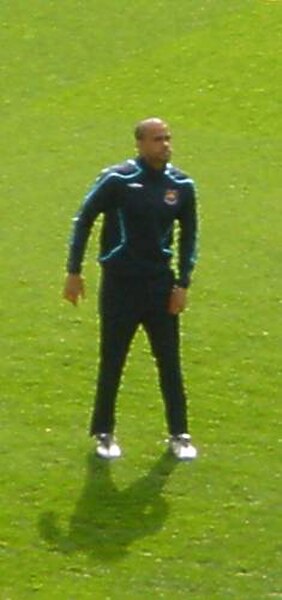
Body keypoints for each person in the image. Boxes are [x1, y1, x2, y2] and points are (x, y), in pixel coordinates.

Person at [63, 117, 198, 460]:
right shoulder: (118, 180)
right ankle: (104, 432)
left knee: (169, 361)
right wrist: (74, 271)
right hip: (120, 286)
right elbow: (84, 219)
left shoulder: (181, 185)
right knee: (112, 360)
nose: (164, 145)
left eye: (167, 138)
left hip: (160, 287)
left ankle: (179, 434)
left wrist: (182, 282)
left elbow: (190, 238)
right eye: (157, 139)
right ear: (139, 144)